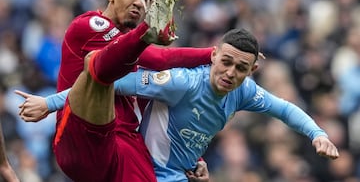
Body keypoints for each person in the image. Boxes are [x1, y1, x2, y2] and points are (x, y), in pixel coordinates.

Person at [16, 28, 340, 182]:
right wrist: (50, 102)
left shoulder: (244, 92)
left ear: (251, 70)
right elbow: (106, 81)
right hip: (142, 173)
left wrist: (317, 134)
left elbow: (284, 108)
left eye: (241, 68)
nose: (230, 73)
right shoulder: (180, 82)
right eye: (225, 62)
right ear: (213, 55)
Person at [16, 0, 212, 181]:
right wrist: (216, 53)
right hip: (82, 138)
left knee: (169, 90)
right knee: (98, 65)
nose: (139, 2)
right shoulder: (88, 25)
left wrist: (194, 158)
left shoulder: (136, 46)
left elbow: (160, 111)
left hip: (126, 143)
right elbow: (159, 58)